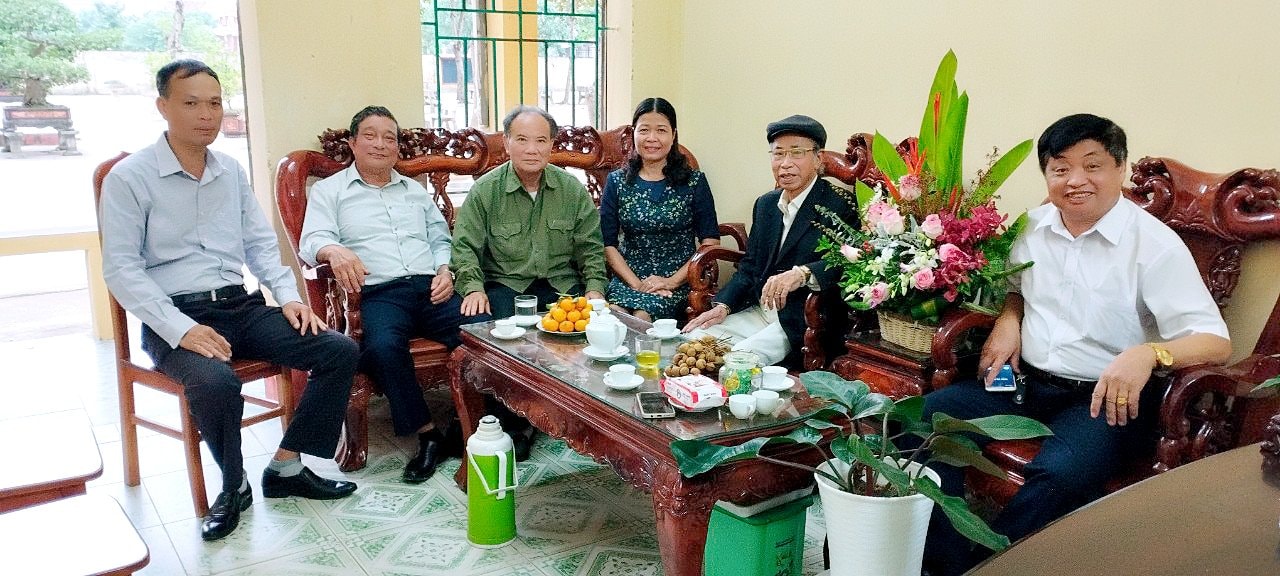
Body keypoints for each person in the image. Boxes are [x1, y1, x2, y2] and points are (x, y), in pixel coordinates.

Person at [918, 113, 1231, 575]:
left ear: (1120, 168)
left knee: (1060, 475)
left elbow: (1215, 342)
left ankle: (988, 568)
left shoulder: (1154, 246)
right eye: (1060, 168)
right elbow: (1016, 288)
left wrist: (1149, 353)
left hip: (1103, 399)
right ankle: (944, 563)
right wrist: (1009, 318)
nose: (1076, 180)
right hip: (1023, 383)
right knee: (920, 421)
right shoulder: (1033, 226)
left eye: (1093, 165)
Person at [100, 60, 359, 542]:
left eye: (215, 103)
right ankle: (233, 484)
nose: (207, 114)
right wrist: (181, 329)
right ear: (163, 107)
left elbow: (259, 244)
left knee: (338, 349)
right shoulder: (130, 178)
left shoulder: (230, 171)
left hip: (239, 306)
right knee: (216, 383)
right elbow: (121, 270)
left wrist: (288, 297)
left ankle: (285, 467)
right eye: (191, 103)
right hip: (175, 315)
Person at [299, 105, 482, 483]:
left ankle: (475, 424)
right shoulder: (330, 191)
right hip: (379, 292)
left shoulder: (414, 191)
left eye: (389, 138)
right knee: (383, 347)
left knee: (483, 329)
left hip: (429, 287)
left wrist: (445, 270)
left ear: (398, 148)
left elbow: (440, 239)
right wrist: (333, 250)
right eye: (370, 135)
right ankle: (428, 435)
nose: (380, 144)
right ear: (353, 143)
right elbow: (312, 240)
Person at [451, 105, 608, 456]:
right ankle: (514, 422)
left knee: (590, 327)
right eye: (522, 140)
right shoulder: (486, 191)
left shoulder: (570, 189)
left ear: (552, 145)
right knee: (502, 334)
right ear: (506, 143)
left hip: (561, 284)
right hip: (507, 284)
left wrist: (595, 289)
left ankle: (578, 417)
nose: (532, 149)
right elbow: (464, 248)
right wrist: (473, 288)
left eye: (541, 140)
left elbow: (591, 248)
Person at [683, 114, 855, 368]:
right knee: (693, 342)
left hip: (801, 319)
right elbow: (750, 266)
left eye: (796, 153)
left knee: (737, 361)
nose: (785, 164)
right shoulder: (766, 205)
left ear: (818, 158)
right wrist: (723, 306)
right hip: (759, 310)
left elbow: (847, 262)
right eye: (778, 154)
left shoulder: (838, 205)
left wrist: (803, 273)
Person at [600, 97, 720, 322]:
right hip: (629, 277)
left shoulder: (694, 182)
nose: (652, 138)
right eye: (644, 130)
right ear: (634, 134)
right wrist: (637, 285)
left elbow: (710, 242)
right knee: (613, 316)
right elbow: (608, 244)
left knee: (641, 316)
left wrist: (671, 281)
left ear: (673, 135)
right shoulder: (617, 181)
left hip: (678, 279)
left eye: (661, 130)